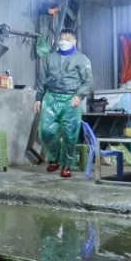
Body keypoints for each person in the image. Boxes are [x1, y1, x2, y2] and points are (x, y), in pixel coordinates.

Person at [34, 29, 93, 178]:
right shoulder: (50, 58)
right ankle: (55, 158)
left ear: (74, 41)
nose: (64, 41)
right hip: (51, 98)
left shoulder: (82, 59)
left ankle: (66, 165)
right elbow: (42, 79)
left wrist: (79, 96)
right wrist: (38, 98)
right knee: (46, 131)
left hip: (70, 99)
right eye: (61, 38)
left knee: (69, 135)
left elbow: (88, 81)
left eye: (67, 38)